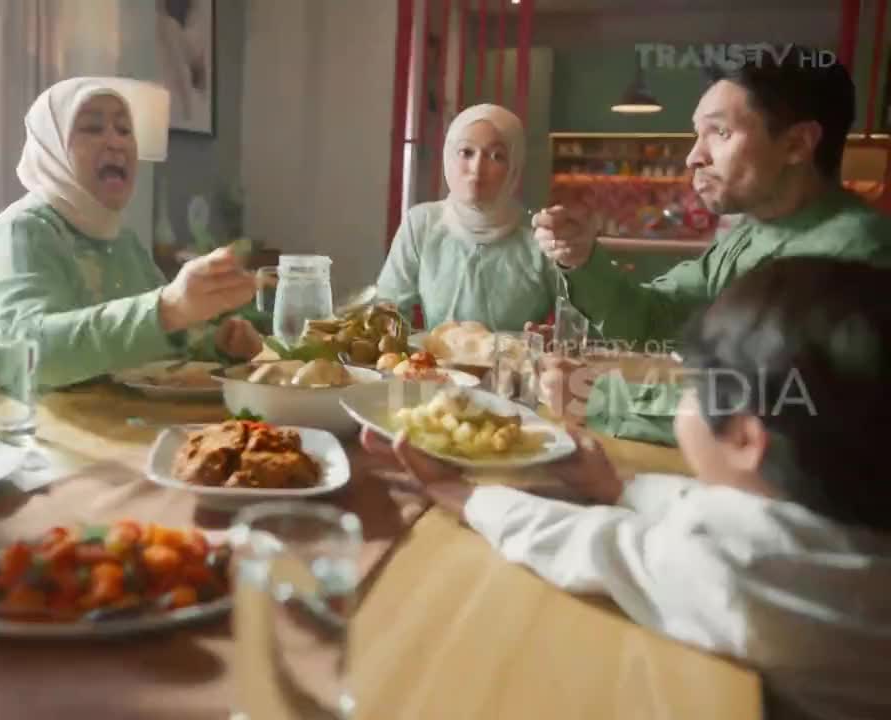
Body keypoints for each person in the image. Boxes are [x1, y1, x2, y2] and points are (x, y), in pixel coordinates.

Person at [362, 256, 891, 720]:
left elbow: (594, 544)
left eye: (692, 386)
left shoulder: (745, 567)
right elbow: (703, 507)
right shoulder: (844, 529)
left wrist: (462, 495)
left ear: (745, 438)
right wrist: (618, 487)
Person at [531, 46, 891, 444]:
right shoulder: (750, 234)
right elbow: (656, 319)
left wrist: (597, 397)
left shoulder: (856, 255)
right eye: (696, 134)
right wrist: (583, 259)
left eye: (720, 132)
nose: (693, 157)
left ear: (797, 144)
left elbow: (764, 409)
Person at [0, 77, 260, 388]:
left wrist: (219, 344)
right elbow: (30, 355)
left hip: (97, 424)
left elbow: (156, 340)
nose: (116, 142)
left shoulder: (123, 241)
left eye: (125, 130)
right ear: (50, 148)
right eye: (93, 128)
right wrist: (167, 308)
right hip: (2, 430)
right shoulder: (22, 233)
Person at [377, 104, 558, 331]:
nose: (477, 168)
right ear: (449, 156)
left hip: (514, 366)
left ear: (514, 166)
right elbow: (388, 312)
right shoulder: (422, 224)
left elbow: (579, 321)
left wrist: (552, 338)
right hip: (435, 365)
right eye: (466, 152)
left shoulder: (538, 237)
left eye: (496, 156)